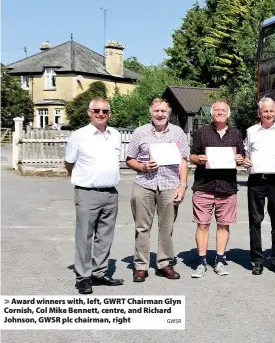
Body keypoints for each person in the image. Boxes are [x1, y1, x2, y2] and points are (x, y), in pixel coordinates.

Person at [126, 98, 189, 282]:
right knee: (142, 227)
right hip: (144, 184)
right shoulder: (140, 132)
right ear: (150, 112)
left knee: (166, 227)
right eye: (156, 111)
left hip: (170, 185)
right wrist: (143, 166)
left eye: (163, 111)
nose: (160, 114)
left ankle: (164, 263)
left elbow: (183, 161)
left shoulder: (178, 133)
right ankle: (140, 266)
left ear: (169, 113)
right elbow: (129, 159)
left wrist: (183, 186)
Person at [64, 97, 124, 294]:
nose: (101, 114)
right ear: (89, 113)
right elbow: (69, 162)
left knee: (105, 236)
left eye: (105, 111)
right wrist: (80, 178)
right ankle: (82, 276)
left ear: (110, 114)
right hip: (87, 192)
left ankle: (99, 272)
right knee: (84, 236)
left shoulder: (115, 134)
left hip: (110, 193)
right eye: (96, 110)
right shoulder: (79, 135)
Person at [190, 101, 244, 278]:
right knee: (202, 224)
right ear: (212, 113)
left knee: (223, 224)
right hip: (204, 186)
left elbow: (241, 157)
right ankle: (202, 261)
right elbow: (192, 155)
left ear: (228, 114)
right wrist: (199, 159)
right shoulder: (202, 132)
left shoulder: (236, 133)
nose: (220, 112)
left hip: (227, 187)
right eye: (217, 110)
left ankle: (220, 259)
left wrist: (240, 159)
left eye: (223, 110)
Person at [244, 97, 275, 276]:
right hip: (256, 181)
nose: (268, 114)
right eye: (265, 111)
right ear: (259, 113)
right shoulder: (251, 131)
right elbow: (246, 154)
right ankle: (257, 261)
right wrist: (246, 161)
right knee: (255, 221)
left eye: (271, 111)